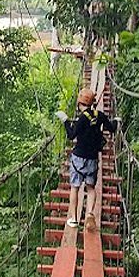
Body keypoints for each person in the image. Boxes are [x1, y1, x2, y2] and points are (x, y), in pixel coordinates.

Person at [56, 88, 119, 231]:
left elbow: (71, 135)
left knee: (75, 188)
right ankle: (90, 214)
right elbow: (112, 128)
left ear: (79, 103)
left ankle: (73, 219)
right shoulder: (100, 115)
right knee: (90, 188)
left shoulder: (81, 119)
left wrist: (65, 121)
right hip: (92, 159)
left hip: (78, 158)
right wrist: (116, 120)